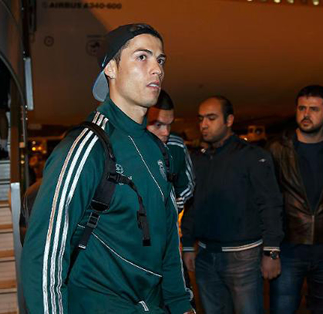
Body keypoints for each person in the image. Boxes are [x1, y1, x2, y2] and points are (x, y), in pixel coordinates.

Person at [21, 23, 195, 313]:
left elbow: (166, 239)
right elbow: (44, 255)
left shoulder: (157, 149)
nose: (157, 69)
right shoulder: (86, 147)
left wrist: (180, 303)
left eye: (160, 59)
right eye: (142, 57)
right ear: (111, 69)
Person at [181, 96, 283, 314]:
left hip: (244, 258)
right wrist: (188, 244)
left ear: (229, 120)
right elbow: (192, 205)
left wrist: (271, 251)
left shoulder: (252, 157)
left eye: (211, 118)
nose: (204, 125)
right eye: (201, 119)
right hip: (206, 257)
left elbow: (271, 204)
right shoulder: (198, 159)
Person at [267, 85, 323, 314]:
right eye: (302, 108)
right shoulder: (277, 149)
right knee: (282, 309)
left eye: (314, 109)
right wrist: (270, 249)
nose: (306, 114)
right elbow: (268, 201)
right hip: (289, 247)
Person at [147, 89, 195, 212]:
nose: (166, 132)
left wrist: (171, 207)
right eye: (158, 125)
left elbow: (187, 185)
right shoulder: (127, 145)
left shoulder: (176, 146)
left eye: (169, 125)